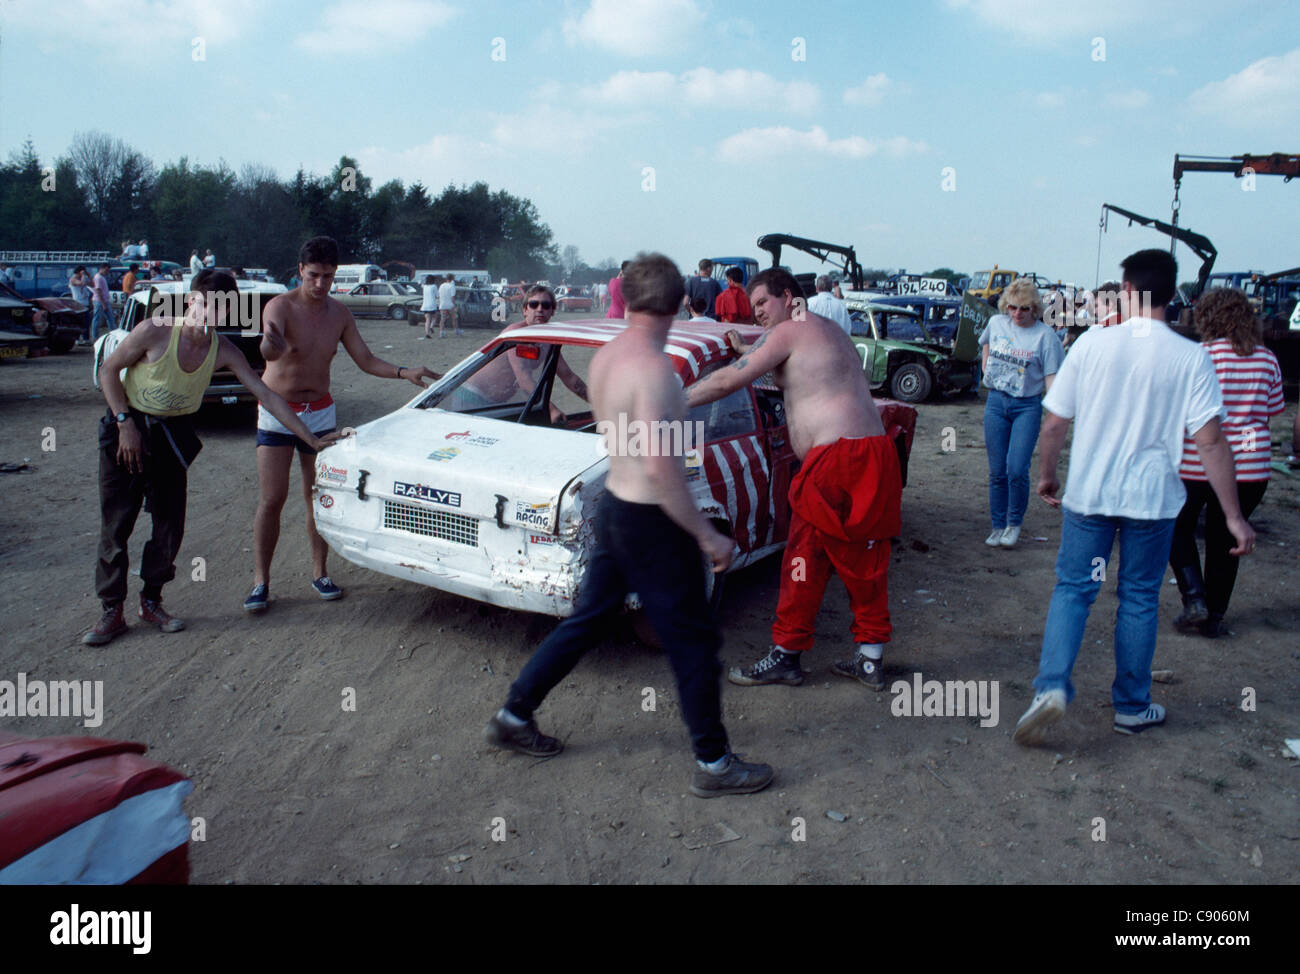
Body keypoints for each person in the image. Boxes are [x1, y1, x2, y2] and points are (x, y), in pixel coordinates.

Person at [485, 253, 774, 798]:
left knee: (586, 621)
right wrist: (707, 534)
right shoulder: (658, 376)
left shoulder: (608, 358)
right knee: (692, 641)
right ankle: (714, 763)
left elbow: (619, 441)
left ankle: (514, 714)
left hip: (615, 507)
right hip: (651, 520)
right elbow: (665, 472)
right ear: (677, 304)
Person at [1014, 250, 1256, 744]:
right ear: (1172, 294)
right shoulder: (1192, 356)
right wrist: (1233, 516)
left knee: (1074, 590)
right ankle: (1131, 706)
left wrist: (1046, 475)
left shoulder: (1091, 345)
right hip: (1153, 499)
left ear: (1126, 289)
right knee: (1140, 597)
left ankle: (1051, 688)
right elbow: (1210, 441)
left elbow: (1056, 421)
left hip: (1090, 493)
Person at [83, 268, 340, 646]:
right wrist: (124, 423)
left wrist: (311, 439)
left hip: (172, 436)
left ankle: (151, 602)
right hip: (129, 430)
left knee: (169, 526)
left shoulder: (223, 350)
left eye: (221, 309)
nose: (211, 315)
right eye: (206, 305)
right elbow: (109, 370)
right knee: (117, 524)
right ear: (191, 301)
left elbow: (267, 396)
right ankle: (111, 611)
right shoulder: (155, 330)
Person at [686, 268, 902, 691]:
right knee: (865, 558)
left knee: (803, 557)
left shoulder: (789, 331)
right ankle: (870, 658)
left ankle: (787, 655)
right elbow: (791, 376)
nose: (758, 313)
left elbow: (732, 379)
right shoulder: (827, 331)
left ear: (789, 296)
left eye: (763, 303)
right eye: (753, 308)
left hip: (836, 460)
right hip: (872, 454)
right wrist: (749, 346)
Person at [244, 237, 438, 613]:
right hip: (277, 411)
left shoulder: (339, 314)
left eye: (328, 277)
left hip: (320, 413)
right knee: (272, 498)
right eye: (313, 275)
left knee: (317, 496)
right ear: (300, 270)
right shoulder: (279, 307)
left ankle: (320, 573)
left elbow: (365, 359)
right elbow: (269, 348)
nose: (320, 284)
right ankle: (260, 581)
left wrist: (404, 372)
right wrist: (270, 344)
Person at [1168, 288, 1284, 638]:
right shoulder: (1267, 359)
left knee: (1176, 526)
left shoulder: (1198, 355)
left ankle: (1195, 598)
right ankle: (1215, 615)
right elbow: (1272, 411)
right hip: (1251, 464)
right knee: (1226, 539)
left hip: (1197, 461)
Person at [979, 277, 1064, 548]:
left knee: (1016, 468)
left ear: (1034, 309)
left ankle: (1014, 522)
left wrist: (1057, 409)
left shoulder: (1045, 336)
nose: (1017, 314)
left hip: (1026, 405)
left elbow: (1051, 378)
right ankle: (997, 524)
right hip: (996, 402)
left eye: (1024, 309)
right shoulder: (996, 323)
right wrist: (986, 369)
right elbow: (985, 343)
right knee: (997, 471)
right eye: (1013, 307)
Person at [457, 285, 588, 422]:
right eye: (533, 304)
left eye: (546, 305)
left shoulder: (547, 341)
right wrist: (551, 409)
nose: (540, 309)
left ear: (552, 311)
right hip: (472, 397)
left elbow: (568, 376)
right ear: (525, 310)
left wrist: (598, 403)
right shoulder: (516, 333)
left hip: (496, 404)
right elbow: (524, 379)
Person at [68, 265, 94, 343]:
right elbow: (82, 284)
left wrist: (89, 276)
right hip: (78, 303)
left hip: (85, 303)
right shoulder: (73, 279)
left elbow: (92, 284)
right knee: (79, 322)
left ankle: (86, 338)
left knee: (86, 322)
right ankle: (77, 339)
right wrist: (83, 275)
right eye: (82, 272)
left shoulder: (83, 279)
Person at [90, 262, 114, 342]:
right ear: (102, 268)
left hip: (103, 301)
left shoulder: (101, 277)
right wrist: (103, 304)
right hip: (99, 301)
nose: (107, 272)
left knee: (110, 318)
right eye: (106, 270)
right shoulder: (98, 278)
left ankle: (113, 333)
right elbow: (98, 291)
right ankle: (95, 336)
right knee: (97, 319)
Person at [437, 273, 458, 337]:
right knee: (454, 318)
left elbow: (438, 295)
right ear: (452, 279)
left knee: (442, 319)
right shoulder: (452, 286)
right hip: (450, 305)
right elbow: (453, 297)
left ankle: (441, 332)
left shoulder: (442, 285)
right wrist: (455, 306)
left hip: (443, 304)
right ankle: (456, 330)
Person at [419, 274, 438, 339]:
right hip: (432, 305)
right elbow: (437, 295)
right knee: (434, 317)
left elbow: (420, 284)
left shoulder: (424, 286)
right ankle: (431, 327)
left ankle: (427, 333)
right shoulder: (434, 286)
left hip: (425, 305)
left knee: (427, 320)